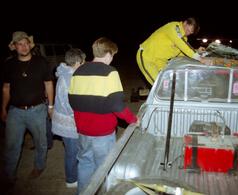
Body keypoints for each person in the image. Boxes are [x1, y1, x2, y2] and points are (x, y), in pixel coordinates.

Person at [68, 37, 138, 193]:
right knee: (105, 168)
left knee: (85, 163)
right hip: (103, 133)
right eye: (112, 55)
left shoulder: (78, 71)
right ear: (108, 54)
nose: (112, 58)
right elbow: (117, 105)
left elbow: (72, 99)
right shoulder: (110, 72)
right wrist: (133, 119)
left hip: (83, 131)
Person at [1, 31, 54, 184]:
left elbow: (48, 84)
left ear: (30, 45)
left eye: (26, 43)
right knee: (11, 145)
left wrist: (50, 106)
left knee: (41, 142)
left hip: (37, 110)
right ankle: (9, 175)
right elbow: (6, 88)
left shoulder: (41, 62)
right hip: (15, 111)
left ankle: (39, 165)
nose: (23, 47)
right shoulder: (9, 64)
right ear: (14, 47)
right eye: (19, 44)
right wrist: (3, 108)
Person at [51, 48, 86, 188]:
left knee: (73, 151)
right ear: (78, 62)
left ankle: (74, 176)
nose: (84, 63)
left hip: (67, 121)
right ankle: (71, 180)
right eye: (83, 61)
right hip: (69, 123)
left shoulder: (66, 74)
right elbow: (69, 103)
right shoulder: (69, 78)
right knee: (72, 153)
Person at [137, 17, 207, 85]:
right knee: (159, 85)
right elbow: (182, 45)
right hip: (147, 57)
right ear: (185, 23)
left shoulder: (183, 39)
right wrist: (200, 58)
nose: (188, 33)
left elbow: (183, 52)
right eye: (188, 30)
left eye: (190, 33)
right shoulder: (174, 27)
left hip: (160, 62)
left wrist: (196, 51)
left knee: (169, 83)